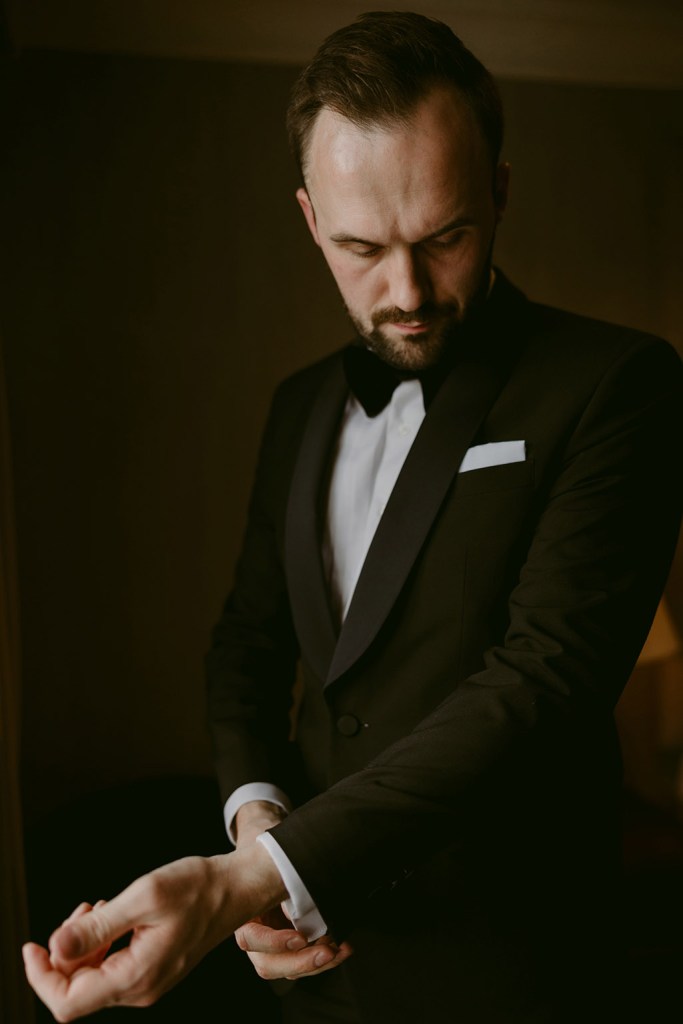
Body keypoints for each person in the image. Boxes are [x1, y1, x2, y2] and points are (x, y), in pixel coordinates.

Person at [23, 11, 683, 1023]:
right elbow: (247, 641)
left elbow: (544, 677)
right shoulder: (297, 406)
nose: (407, 291)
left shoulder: (618, 384)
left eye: (445, 237)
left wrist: (246, 880)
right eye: (360, 248)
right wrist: (258, 827)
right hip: (313, 967)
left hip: (512, 968)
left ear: (498, 191)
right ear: (306, 219)